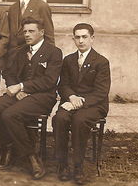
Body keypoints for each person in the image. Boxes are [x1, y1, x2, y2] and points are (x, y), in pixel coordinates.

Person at [0, 17, 62, 180]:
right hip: (20, 95)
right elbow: (9, 73)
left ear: (41, 33)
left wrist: (22, 87)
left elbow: (49, 81)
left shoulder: (54, 52)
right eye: (25, 31)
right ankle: (6, 147)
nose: (27, 34)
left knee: (10, 114)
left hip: (43, 97)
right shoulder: (20, 51)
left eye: (31, 31)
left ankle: (32, 157)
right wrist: (17, 89)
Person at [52, 23, 111, 185]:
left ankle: (78, 166)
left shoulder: (101, 62)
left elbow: (100, 92)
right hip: (71, 101)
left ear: (92, 38)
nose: (81, 41)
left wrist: (78, 103)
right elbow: (63, 84)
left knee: (79, 120)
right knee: (59, 119)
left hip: (94, 105)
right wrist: (71, 97)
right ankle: (62, 164)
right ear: (73, 39)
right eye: (77, 37)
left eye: (84, 37)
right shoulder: (69, 60)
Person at [4, 0, 55, 77]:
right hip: (14, 61)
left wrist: (46, 60)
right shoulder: (12, 9)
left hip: (33, 61)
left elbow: (49, 37)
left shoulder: (42, 6)